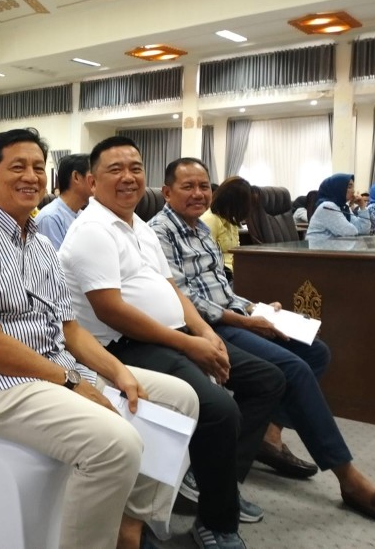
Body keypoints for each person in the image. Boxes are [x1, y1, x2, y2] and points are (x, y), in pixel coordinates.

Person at [0, 128, 199, 549]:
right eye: (17, 167)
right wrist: (73, 383)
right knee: (117, 443)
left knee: (179, 400)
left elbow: (70, 329)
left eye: (38, 167)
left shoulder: (40, 244)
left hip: (52, 371)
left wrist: (117, 372)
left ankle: (129, 525)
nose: (31, 176)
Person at [59, 137, 285, 549]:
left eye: (135, 168)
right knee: (219, 410)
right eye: (115, 169)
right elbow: (111, 311)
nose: (128, 177)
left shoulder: (140, 227)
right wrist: (187, 346)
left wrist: (206, 333)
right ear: (91, 182)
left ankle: (213, 477)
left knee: (266, 379)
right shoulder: (92, 231)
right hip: (121, 346)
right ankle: (217, 520)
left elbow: (172, 289)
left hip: (173, 335)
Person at [149, 156, 375, 522]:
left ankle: (269, 434)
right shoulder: (159, 232)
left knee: (316, 352)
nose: (198, 193)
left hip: (232, 317)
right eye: (187, 186)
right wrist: (244, 321)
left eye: (204, 186)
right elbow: (184, 299)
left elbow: (222, 290)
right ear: (167, 192)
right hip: (203, 327)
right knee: (294, 368)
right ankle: (347, 477)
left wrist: (257, 308)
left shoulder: (201, 229)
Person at [34, 153, 92, 249]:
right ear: (76, 177)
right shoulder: (51, 218)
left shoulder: (82, 215)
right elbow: (54, 258)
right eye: (93, 177)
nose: (97, 183)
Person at [200, 176, 251, 278]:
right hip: (222, 275)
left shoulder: (231, 220)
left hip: (237, 271)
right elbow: (205, 258)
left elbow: (236, 252)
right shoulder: (210, 220)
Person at [306, 173, 371, 238]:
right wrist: (356, 229)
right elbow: (349, 232)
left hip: (333, 244)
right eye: (349, 187)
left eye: (353, 187)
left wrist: (362, 206)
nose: (353, 191)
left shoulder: (343, 207)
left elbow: (363, 230)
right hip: (318, 244)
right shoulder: (327, 207)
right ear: (337, 188)